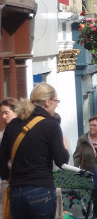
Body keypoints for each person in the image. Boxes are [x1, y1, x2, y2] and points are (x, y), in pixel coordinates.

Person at [0, 83, 69, 219]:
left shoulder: (13, 125)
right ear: (48, 102)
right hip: (41, 189)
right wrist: (64, 146)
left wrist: (7, 176)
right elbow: (61, 161)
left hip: (17, 191)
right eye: (56, 101)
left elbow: (1, 159)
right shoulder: (51, 125)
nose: (57, 105)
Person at [0, 97, 18, 218]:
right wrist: (5, 176)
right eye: (2, 113)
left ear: (16, 111)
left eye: (6, 113)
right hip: (7, 181)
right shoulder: (1, 135)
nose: (3, 116)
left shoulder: (26, 132)